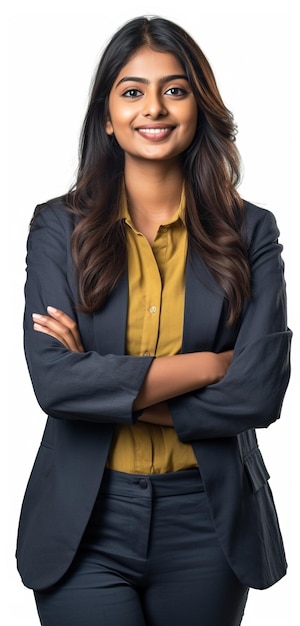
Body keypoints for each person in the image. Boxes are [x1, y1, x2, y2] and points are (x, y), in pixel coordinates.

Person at [16, 15, 292, 626]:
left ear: (199, 106)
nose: (154, 108)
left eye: (175, 88)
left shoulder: (252, 232)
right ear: (107, 116)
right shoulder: (57, 229)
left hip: (208, 522)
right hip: (85, 521)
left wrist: (110, 387)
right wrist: (208, 365)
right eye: (132, 91)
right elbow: (57, 385)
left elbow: (260, 391)